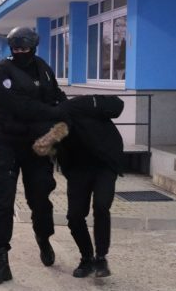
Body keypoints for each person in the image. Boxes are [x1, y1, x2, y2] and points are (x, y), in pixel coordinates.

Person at [0, 26, 69, 286]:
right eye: (16, 48)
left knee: (40, 199)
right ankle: (1, 260)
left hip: (38, 147)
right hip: (9, 144)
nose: (20, 52)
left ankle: (43, 238)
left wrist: (66, 108)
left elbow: (56, 95)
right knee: (4, 203)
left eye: (24, 48)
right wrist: (52, 112)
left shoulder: (43, 68)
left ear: (33, 47)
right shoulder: (1, 72)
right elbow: (19, 106)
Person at [51, 94, 124, 278]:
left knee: (101, 206)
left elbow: (118, 104)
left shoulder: (81, 106)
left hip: (104, 164)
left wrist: (96, 102)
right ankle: (87, 258)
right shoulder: (54, 126)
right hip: (78, 169)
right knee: (74, 216)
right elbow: (53, 151)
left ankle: (101, 258)